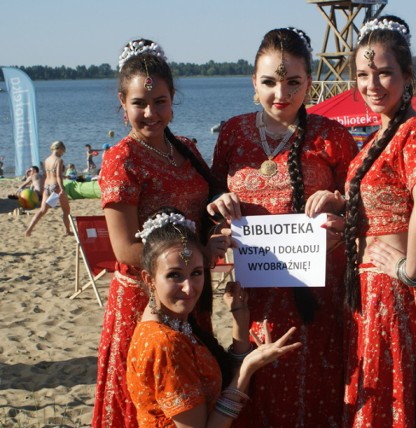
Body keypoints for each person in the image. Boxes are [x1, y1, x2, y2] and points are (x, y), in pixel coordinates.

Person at [208, 27, 358, 426]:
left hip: (319, 295)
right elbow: (208, 202)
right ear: (253, 83)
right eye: (270, 82)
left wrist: (338, 207)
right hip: (252, 295)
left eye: (293, 82)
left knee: (316, 391)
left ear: (310, 82)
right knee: (258, 388)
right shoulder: (233, 134)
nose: (282, 94)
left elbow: (364, 211)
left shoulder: (334, 136)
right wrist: (217, 205)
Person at [93, 38, 223, 427]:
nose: (150, 113)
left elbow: (205, 207)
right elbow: (125, 249)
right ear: (122, 102)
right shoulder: (122, 160)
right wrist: (199, 254)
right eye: (139, 104)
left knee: (194, 396)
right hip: (146, 298)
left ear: (173, 99)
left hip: (189, 291)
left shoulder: (184, 148)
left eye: (160, 102)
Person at [342, 15, 416, 426]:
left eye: (384, 73)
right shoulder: (380, 136)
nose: (372, 85)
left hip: (390, 291)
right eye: (362, 74)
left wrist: (409, 269)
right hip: (368, 290)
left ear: (407, 75)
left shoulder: (414, 131)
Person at [127, 208, 301, 427]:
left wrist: (239, 317)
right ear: (149, 278)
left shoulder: (175, 323)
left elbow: (215, 380)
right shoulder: (166, 343)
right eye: (174, 275)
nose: (189, 288)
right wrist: (247, 370)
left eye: (196, 273)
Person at [25, 141, 72, 237]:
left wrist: (64, 177)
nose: (63, 152)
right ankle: (67, 230)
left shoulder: (47, 160)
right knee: (66, 211)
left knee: (42, 210)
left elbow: (48, 175)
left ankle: (29, 230)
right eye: (63, 150)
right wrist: (62, 188)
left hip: (47, 186)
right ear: (59, 149)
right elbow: (58, 176)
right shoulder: (59, 160)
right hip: (56, 187)